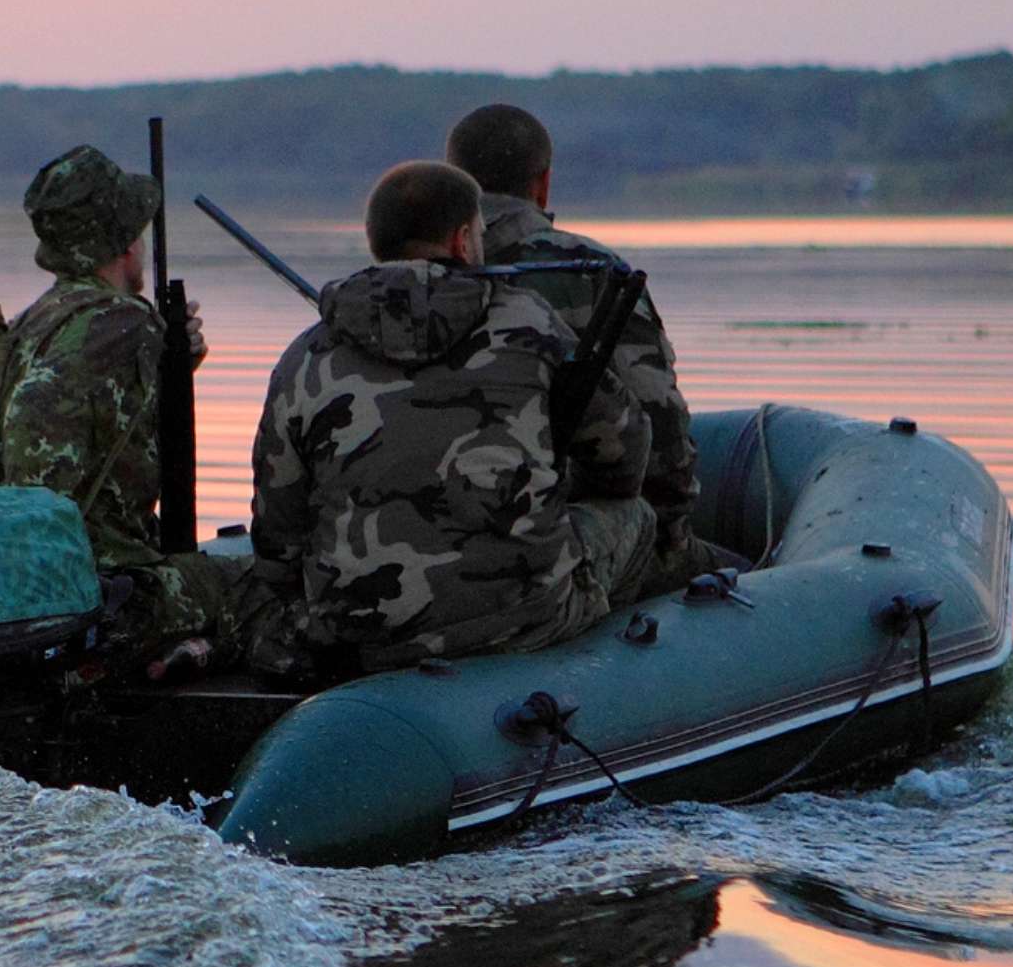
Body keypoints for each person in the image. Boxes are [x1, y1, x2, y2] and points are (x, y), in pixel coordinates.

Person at [242, 161, 681, 681]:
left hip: (362, 639)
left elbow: (278, 534)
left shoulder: (306, 354)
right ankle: (607, 679)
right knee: (635, 515)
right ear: (463, 239)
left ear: (375, 243)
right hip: (522, 621)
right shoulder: (530, 323)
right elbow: (626, 454)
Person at [0, 145, 232, 671]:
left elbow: (85, 421)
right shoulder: (127, 324)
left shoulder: (34, 322)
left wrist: (176, 366)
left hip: (1, 582)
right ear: (128, 244)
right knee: (256, 588)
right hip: (88, 591)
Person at [445, 102, 714, 582]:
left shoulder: (411, 282)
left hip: (440, 543)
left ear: (452, 181)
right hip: (561, 548)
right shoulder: (592, 271)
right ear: (543, 182)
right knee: (735, 572)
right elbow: (658, 421)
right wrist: (671, 537)